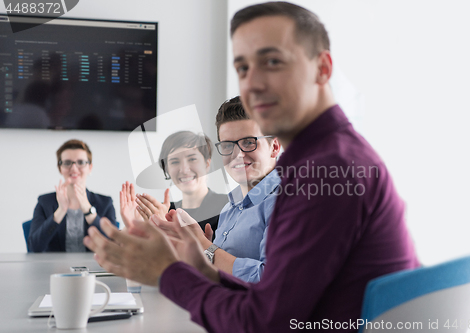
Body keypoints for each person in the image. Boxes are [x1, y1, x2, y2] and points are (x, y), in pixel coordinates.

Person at [84, 2, 419, 332]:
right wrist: (199, 263)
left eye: (272, 61)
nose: (252, 84)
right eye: (243, 68)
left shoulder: (329, 171)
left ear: (322, 68)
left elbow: (264, 322)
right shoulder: (318, 160)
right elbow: (271, 298)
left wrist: (167, 272)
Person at [153, 96, 281, 283]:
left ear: (274, 147)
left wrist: (205, 246)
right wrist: (198, 253)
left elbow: (271, 280)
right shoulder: (229, 208)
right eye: (228, 145)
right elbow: (219, 273)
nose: (237, 154)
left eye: (248, 142)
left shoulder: (286, 202)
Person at [123, 131, 228, 237]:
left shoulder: (228, 206)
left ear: (207, 164)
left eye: (192, 159)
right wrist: (132, 228)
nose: (184, 170)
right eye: (174, 162)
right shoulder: (162, 210)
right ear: (167, 169)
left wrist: (164, 225)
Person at [29, 139, 116, 252]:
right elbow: (34, 248)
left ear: (90, 167)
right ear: (60, 168)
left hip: (94, 268)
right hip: (56, 269)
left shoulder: (105, 203)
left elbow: (114, 247)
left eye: (81, 162)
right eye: (67, 163)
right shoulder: (44, 202)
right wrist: (60, 211)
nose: (74, 168)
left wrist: (88, 210)